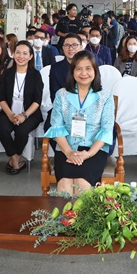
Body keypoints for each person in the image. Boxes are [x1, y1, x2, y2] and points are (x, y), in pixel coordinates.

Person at [45, 50, 115, 195]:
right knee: (65, 184)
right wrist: (69, 152)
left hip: (94, 149)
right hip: (66, 148)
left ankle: (83, 211)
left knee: (82, 183)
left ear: (95, 71)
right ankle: (64, 212)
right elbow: (56, 127)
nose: (84, 73)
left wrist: (88, 154)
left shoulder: (105, 96)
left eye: (88, 68)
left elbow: (106, 129)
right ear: (72, 72)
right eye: (79, 68)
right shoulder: (62, 95)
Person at [0, 41, 43, 174]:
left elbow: (37, 101)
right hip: (8, 111)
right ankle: (15, 158)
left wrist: (24, 116)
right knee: (2, 129)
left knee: (21, 131)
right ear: (13, 54)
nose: (21, 56)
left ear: (30, 56)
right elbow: (1, 98)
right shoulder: (7, 73)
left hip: (30, 113)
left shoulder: (35, 75)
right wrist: (11, 115)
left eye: (25, 53)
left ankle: (14, 159)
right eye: (18, 52)